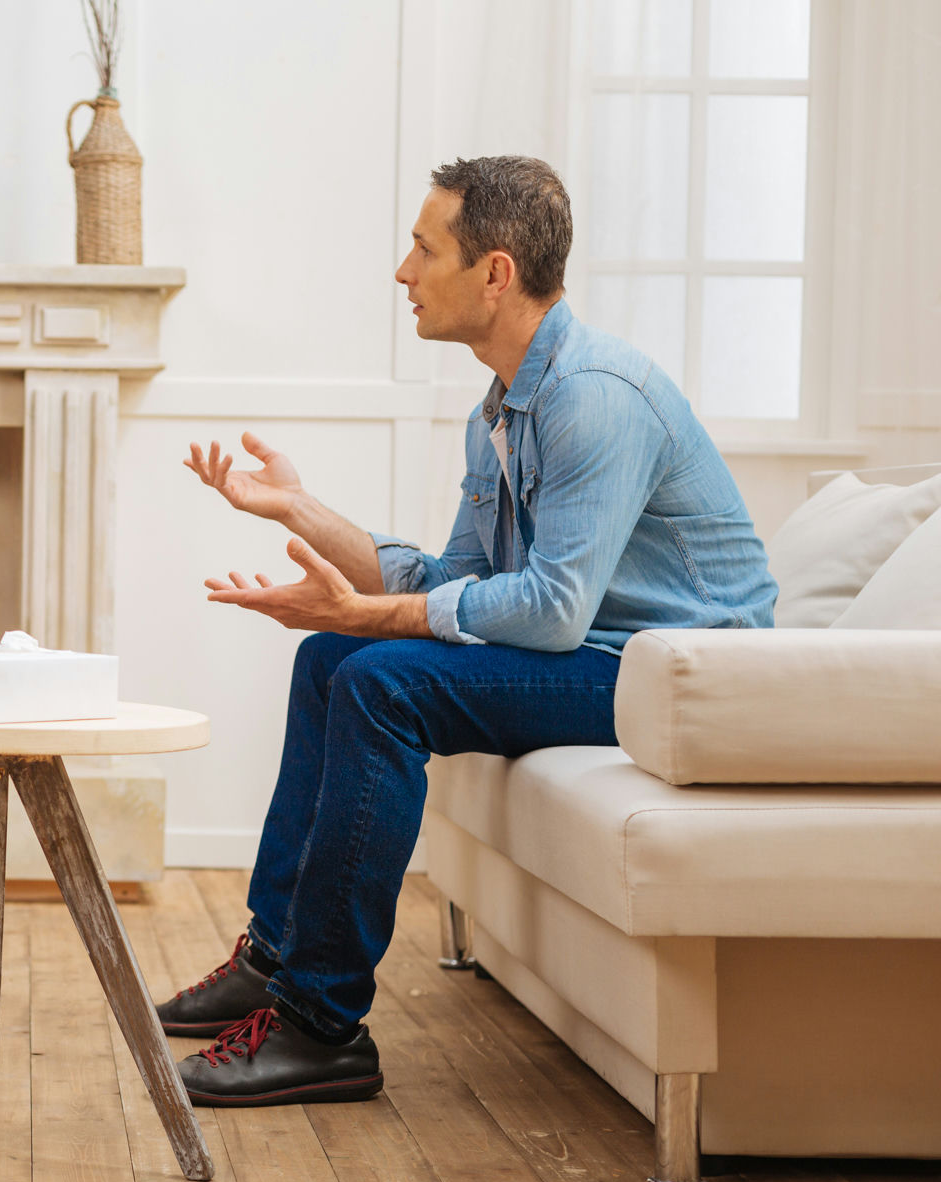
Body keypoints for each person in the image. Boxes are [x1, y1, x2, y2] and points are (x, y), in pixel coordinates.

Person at [158, 156, 776, 1106]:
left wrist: (370, 615)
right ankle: (276, 960)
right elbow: (455, 583)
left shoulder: (593, 396)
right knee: (331, 657)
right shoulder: (503, 410)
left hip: (675, 678)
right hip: (599, 653)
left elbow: (553, 609)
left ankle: (321, 1025)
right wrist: (297, 510)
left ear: (495, 273)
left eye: (424, 249)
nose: (403, 272)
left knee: (382, 680)